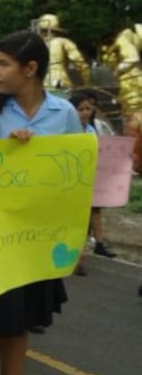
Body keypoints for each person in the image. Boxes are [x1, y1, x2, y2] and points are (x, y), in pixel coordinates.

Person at [0, 31, 83, 375]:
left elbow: (75, 176)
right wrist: (6, 154)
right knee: (5, 323)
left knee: (18, 323)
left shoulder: (65, 113)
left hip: (39, 238)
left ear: (30, 69)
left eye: (3, 64)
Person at [68, 92, 117, 268]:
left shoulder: (91, 130)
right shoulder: (66, 128)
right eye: (80, 109)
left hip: (88, 179)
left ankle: (84, 253)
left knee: (87, 215)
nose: (85, 112)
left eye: (88, 108)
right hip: (69, 180)